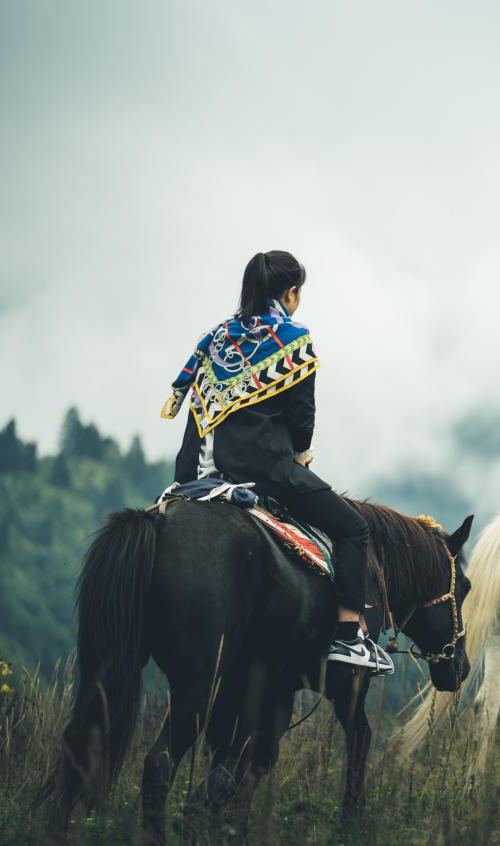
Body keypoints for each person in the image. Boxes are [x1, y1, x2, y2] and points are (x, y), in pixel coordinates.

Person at [162, 250, 392, 673]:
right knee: (354, 529)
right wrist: (300, 454)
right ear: (290, 294)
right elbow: (302, 420)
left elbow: (197, 410)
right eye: (298, 293)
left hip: (201, 474)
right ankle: (347, 638)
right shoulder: (293, 339)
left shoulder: (215, 340)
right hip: (268, 473)